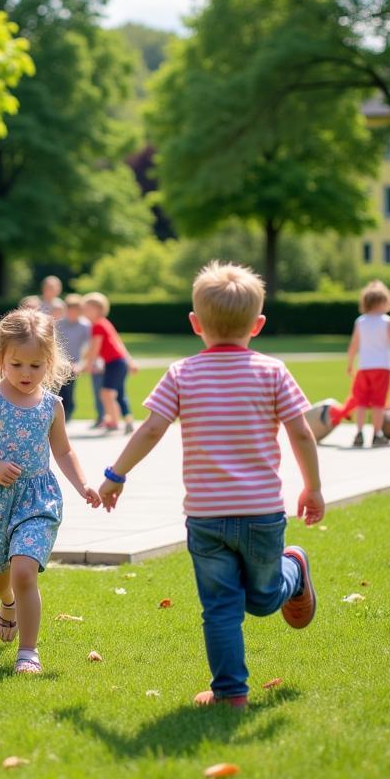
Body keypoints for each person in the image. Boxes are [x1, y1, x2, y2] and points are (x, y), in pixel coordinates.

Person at [98, 261, 324, 709]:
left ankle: (294, 569)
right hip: (213, 516)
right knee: (222, 608)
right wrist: (313, 486)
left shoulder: (196, 372)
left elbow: (147, 430)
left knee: (260, 602)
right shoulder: (256, 371)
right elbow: (302, 432)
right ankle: (231, 694)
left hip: (252, 513)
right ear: (257, 324)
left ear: (195, 324)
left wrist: (115, 474)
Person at [0, 309, 101, 675]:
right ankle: (6, 602)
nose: (26, 373)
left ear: (50, 362)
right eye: (17, 364)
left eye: (36, 366)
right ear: (0, 357)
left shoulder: (52, 404)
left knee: (24, 570)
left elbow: (64, 451)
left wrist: (83, 483)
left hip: (38, 499)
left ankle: (28, 652)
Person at [332, 280, 390, 447]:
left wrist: (350, 363)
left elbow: (353, 345)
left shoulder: (360, 321)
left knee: (360, 401)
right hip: (382, 367)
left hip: (364, 367)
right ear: (382, 301)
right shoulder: (387, 321)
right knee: (378, 403)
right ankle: (377, 433)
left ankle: (359, 433)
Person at [79, 292, 137, 433]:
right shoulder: (104, 323)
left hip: (114, 363)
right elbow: (116, 344)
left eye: (88, 308)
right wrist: (129, 361)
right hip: (118, 363)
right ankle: (126, 421)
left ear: (99, 309)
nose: (84, 312)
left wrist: (86, 365)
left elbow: (95, 348)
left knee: (106, 394)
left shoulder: (98, 325)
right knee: (118, 394)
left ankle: (114, 422)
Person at [55, 294, 91, 422]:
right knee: (58, 388)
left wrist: (82, 363)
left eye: (76, 311)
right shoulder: (58, 324)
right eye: (70, 310)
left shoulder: (85, 325)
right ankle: (59, 414)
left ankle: (68, 412)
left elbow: (88, 346)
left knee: (69, 388)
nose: (72, 313)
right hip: (59, 361)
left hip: (75, 362)